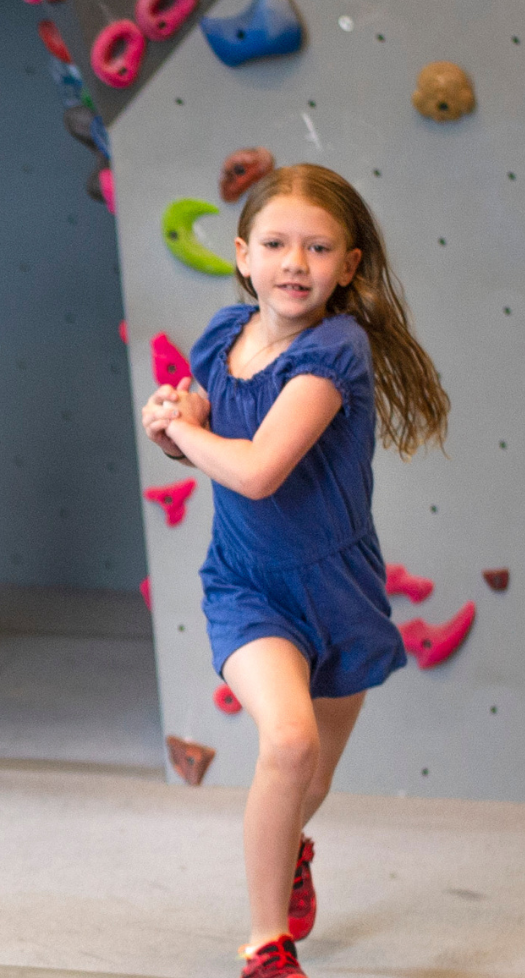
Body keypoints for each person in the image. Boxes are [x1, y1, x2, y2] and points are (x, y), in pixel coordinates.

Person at [141, 164, 449, 978]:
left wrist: (188, 436)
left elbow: (256, 471)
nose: (294, 263)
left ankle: (292, 852)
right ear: (242, 255)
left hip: (339, 590)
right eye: (276, 243)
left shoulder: (337, 350)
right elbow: (208, 435)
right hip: (247, 585)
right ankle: (265, 946)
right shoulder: (218, 338)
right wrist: (173, 426)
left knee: (306, 778)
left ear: (348, 266)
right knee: (286, 741)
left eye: (317, 248)